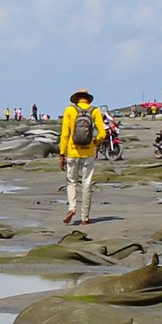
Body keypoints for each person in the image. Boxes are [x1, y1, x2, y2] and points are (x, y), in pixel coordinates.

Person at [58, 90, 107, 225]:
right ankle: (85, 218)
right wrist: (94, 143)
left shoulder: (70, 110)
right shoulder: (94, 111)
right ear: (88, 100)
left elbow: (65, 134)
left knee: (71, 182)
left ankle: (71, 208)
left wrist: (62, 153)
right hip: (88, 152)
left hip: (72, 152)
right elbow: (102, 134)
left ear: (77, 99)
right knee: (87, 184)